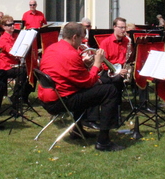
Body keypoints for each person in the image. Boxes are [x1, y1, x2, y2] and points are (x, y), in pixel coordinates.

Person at [38, 22, 124, 151]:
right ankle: (103, 141)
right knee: (110, 91)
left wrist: (83, 64)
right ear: (74, 37)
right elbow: (88, 82)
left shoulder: (51, 48)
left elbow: (68, 72)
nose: (83, 41)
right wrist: (97, 63)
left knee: (96, 86)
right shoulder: (71, 54)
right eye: (81, 38)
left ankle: (77, 131)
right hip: (60, 101)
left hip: (47, 97)